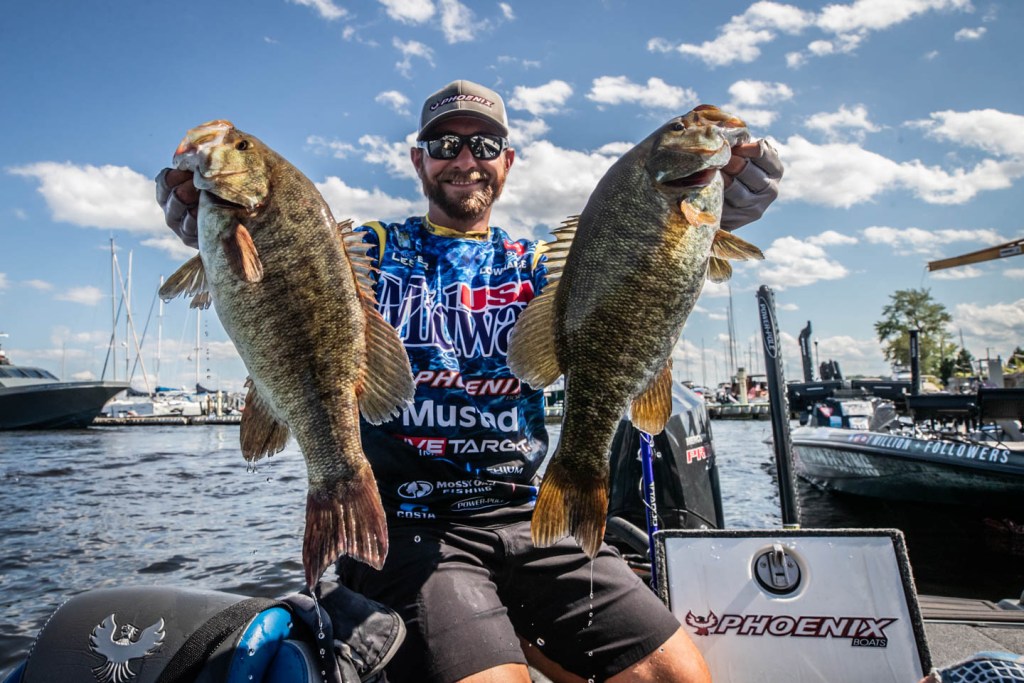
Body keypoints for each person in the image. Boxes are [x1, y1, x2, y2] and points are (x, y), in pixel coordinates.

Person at [157, 79, 783, 683]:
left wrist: (708, 215)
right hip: (406, 522)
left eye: (483, 145)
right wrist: (221, 234)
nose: (464, 160)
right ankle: (481, 630)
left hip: (529, 514)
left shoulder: (538, 267)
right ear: (419, 160)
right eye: (444, 144)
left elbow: (622, 279)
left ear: (507, 160)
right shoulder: (371, 250)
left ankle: (504, 624)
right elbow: (299, 271)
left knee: (678, 676)